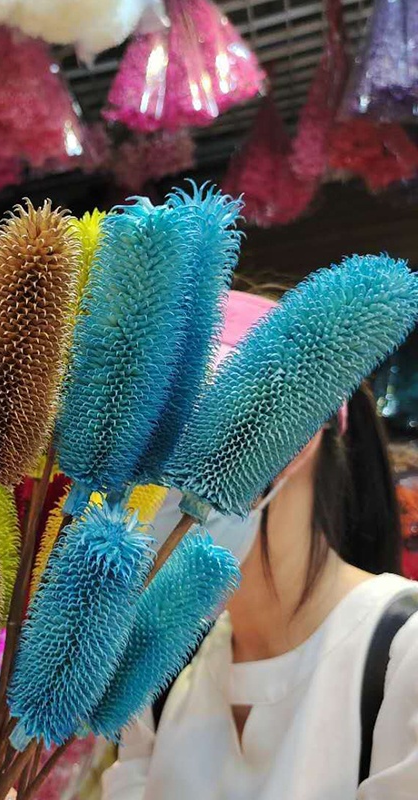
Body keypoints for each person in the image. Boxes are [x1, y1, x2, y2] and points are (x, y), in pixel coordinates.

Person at [102, 290, 418, 800]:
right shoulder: (163, 664)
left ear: (294, 439)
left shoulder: (404, 658)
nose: (145, 486)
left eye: (174, 441)